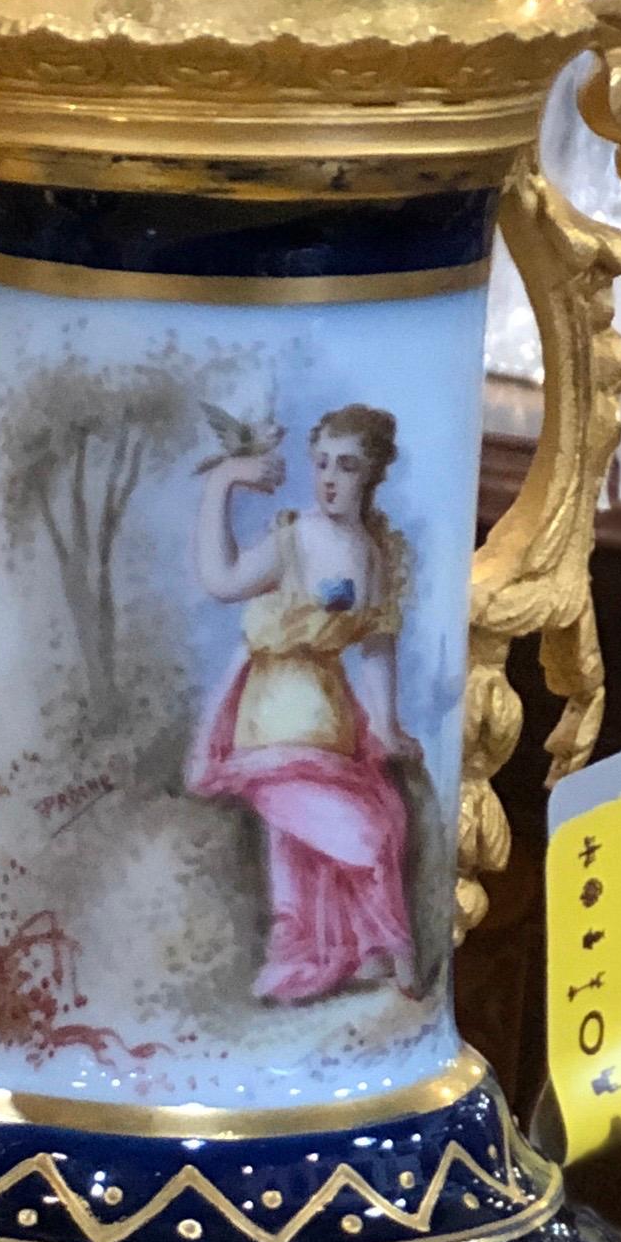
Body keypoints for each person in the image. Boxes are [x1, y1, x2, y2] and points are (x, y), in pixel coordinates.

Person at [184, 404, 424, 1006]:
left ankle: (346, 956)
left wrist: (389, 726)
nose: (330, 478)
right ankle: (395, 952)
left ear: (371, 475)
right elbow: (220, 579)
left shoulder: (375, 553)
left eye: (346, 466)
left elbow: (375, 647)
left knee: (362, 823)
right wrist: (224, 481)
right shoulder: (294, 538)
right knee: (359, 833)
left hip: (332, 719)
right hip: (276, 719)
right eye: (321, 464)